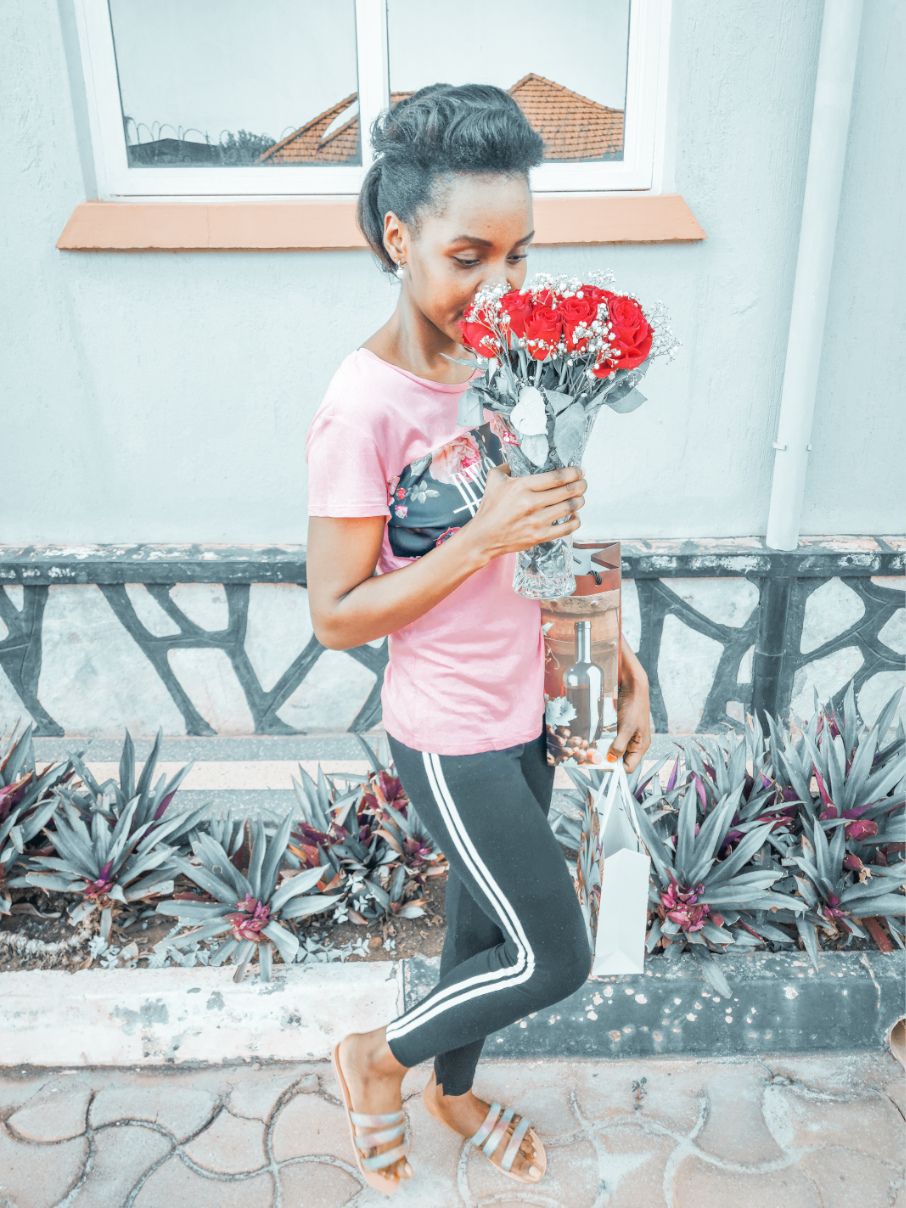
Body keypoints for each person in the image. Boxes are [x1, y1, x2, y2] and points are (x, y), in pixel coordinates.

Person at [306, 83, 652, 1195]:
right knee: (554, 951)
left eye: (519, 254)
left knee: (477, 938)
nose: (501, 287)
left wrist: (617, 662)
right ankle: (378, 1058)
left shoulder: (508, 371)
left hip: (531, 711)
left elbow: (543, 552)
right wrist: (479, 533)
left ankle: (456, 1092)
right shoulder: (363, 406)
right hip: (449, 733)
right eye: (470, 256)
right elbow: (334, 611)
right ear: (399, 239)